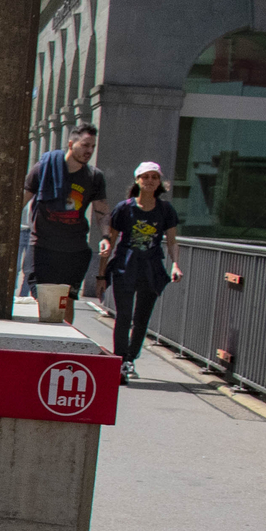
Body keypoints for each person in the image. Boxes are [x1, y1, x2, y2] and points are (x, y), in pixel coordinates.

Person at [98, 162, 182, 381]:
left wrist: (175, 264)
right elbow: (110, 243)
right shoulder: (124, 208)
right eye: (145, 177)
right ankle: (120, 361)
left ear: (159, 182)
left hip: (151, 268)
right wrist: (101, 275)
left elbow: (172, 241)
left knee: (142, 319)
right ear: (137, 180)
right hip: (126, 267)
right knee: (123, 317)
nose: (150, 181)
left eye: (154, 177)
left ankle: (130, 359)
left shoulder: (165, 210)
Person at [23, 124, 107, 323]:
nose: (89, 151)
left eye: (93, 147)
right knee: (44, 298)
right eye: (85, 145)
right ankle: (44, 342)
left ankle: (64, 344)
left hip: (74, 249)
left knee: (66, 301)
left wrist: (105, 236)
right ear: (71, 144)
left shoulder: (94, 177)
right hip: (43, 245)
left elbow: (102, 211)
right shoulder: (43, 168)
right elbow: (22, 199)